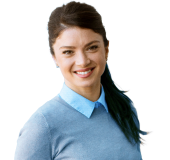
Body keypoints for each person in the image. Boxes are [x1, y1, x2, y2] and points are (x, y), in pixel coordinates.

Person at [14, 1, 149, 159]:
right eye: (68, 52)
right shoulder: (41, 128)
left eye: (92, 47)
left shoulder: (125, 108)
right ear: (54, 58)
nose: (82, 61)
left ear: (106, 50)